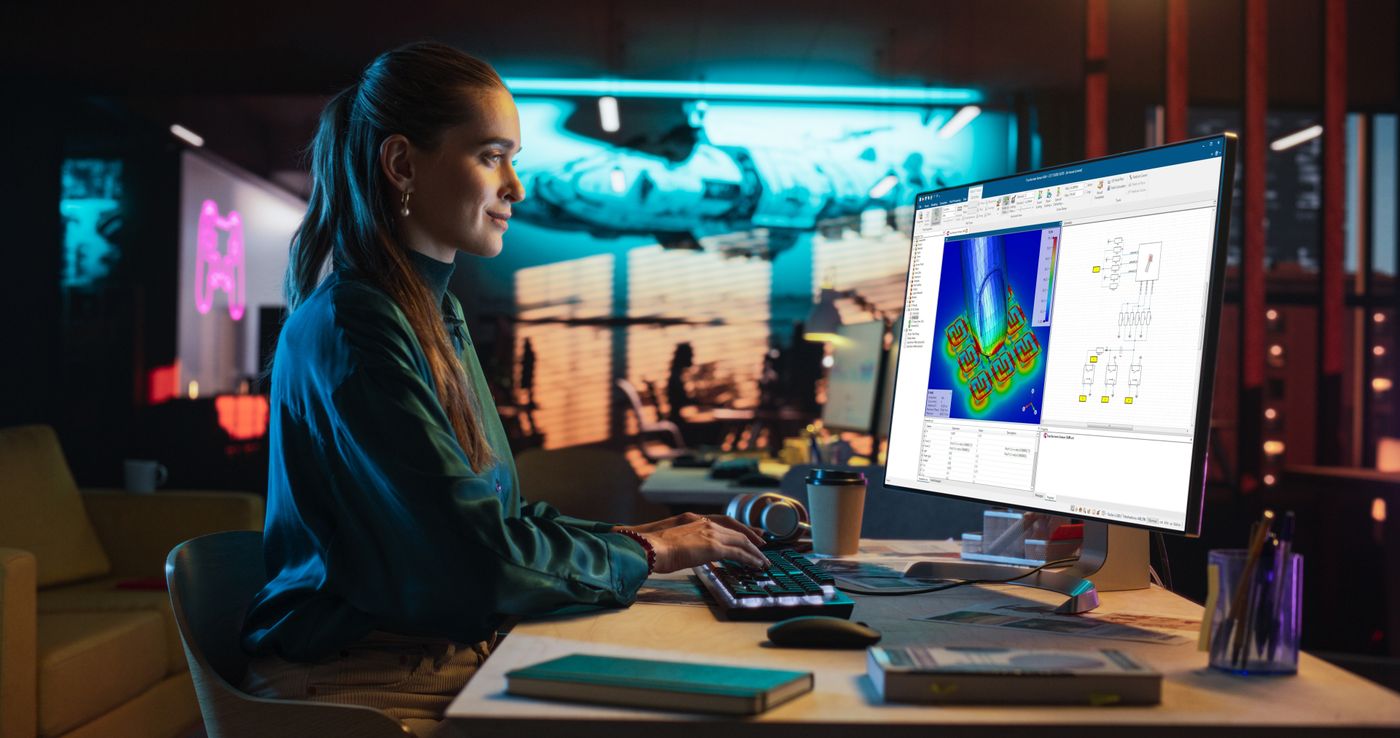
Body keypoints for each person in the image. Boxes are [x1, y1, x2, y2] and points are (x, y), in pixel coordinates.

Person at [239, 42, 767, 736]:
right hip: (360, 686)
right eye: (491, 156)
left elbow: (492, 522)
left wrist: (641, 537)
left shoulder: (428, 312)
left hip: (428, 657)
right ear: (402, 163)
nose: (515, 187)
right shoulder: (358, 320)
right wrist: (647, 552)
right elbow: (476, 561)